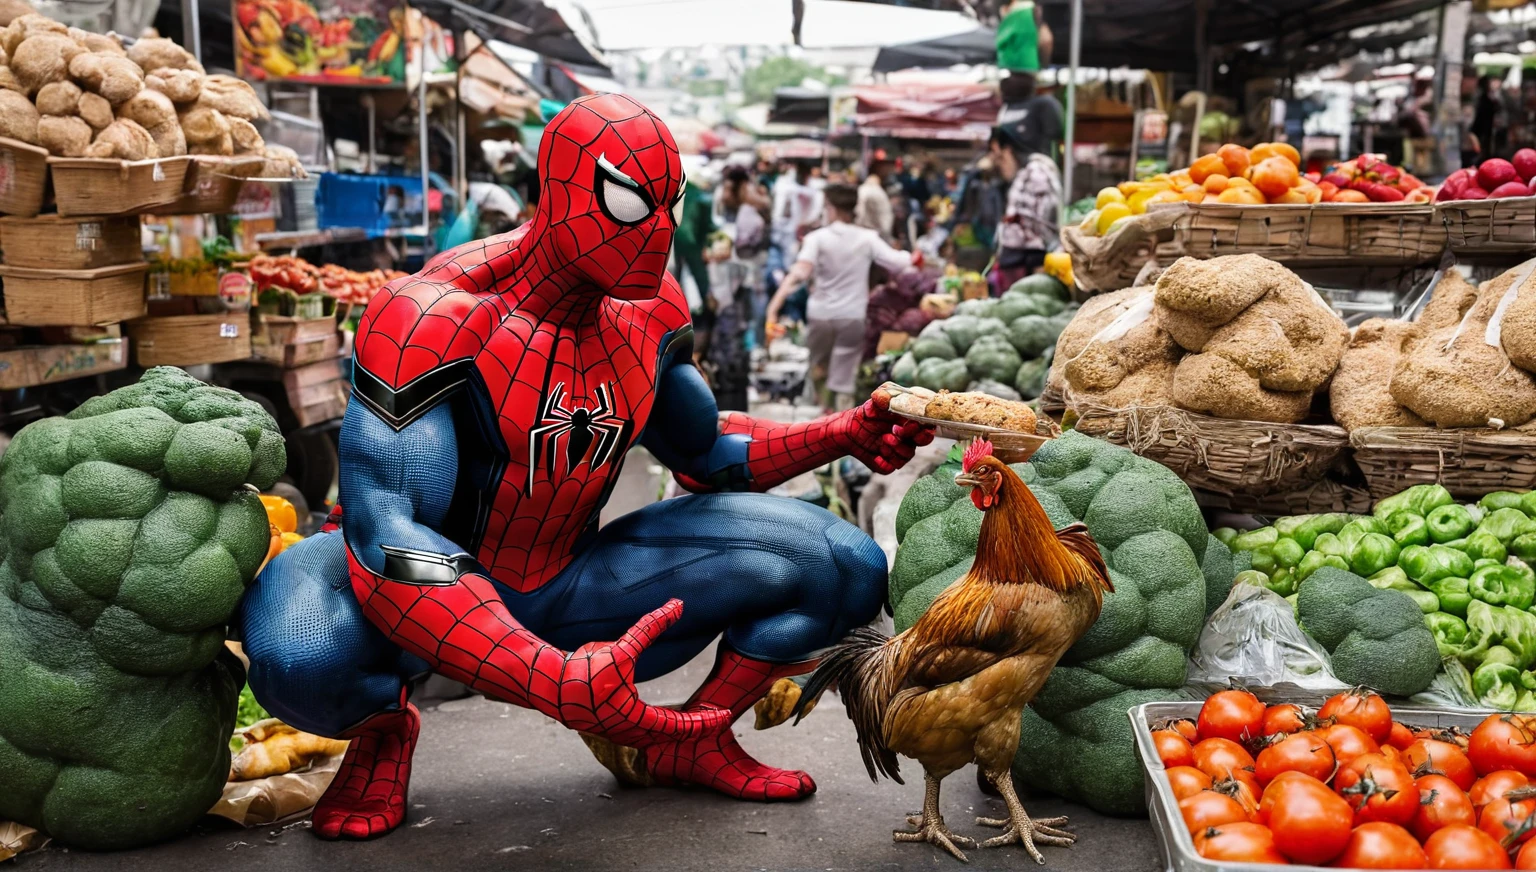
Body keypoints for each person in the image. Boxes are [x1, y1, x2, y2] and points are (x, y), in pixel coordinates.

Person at [237, 95, 934, 842]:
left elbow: (706, 456)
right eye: (631, 202)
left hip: (569, 579)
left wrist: (844, 433)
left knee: (841, 563)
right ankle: (381, 731)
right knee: (297, 651)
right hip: (416, 605)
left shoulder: (650, 311)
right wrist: (547, 677)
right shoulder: (433, 315)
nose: (660, 233)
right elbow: (387, 530)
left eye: (671, 205)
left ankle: (689, 738)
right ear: (557, 191)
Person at [766, 183, 920, 412]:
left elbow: (798, 275)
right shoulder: (868, 238)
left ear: (832, 207)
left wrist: (773, 309)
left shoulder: (816, 238)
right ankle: (842, 423)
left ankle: (823, 417)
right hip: (852, 316)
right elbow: (899, 263)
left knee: (819, 369)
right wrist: (915, 254)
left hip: (821, 316)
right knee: (845, 377)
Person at [990, 76, 1063, 294]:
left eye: (999, 157)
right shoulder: (1027, 173)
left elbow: (1040, 231)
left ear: (1009, 150)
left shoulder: (1037, 172)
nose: (999, 165)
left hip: (1032, 274)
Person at [855, 160, 895, 239]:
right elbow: (859, 214)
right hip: (871, 237)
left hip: (875, 237)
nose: (889, 172)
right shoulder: (869, 190)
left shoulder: (876, 189)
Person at [1473, 75, 1506, 164]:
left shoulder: (1484, 96)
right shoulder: (1484, 97)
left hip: (1484, 126)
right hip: (1484, 126)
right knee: (1484, 146)